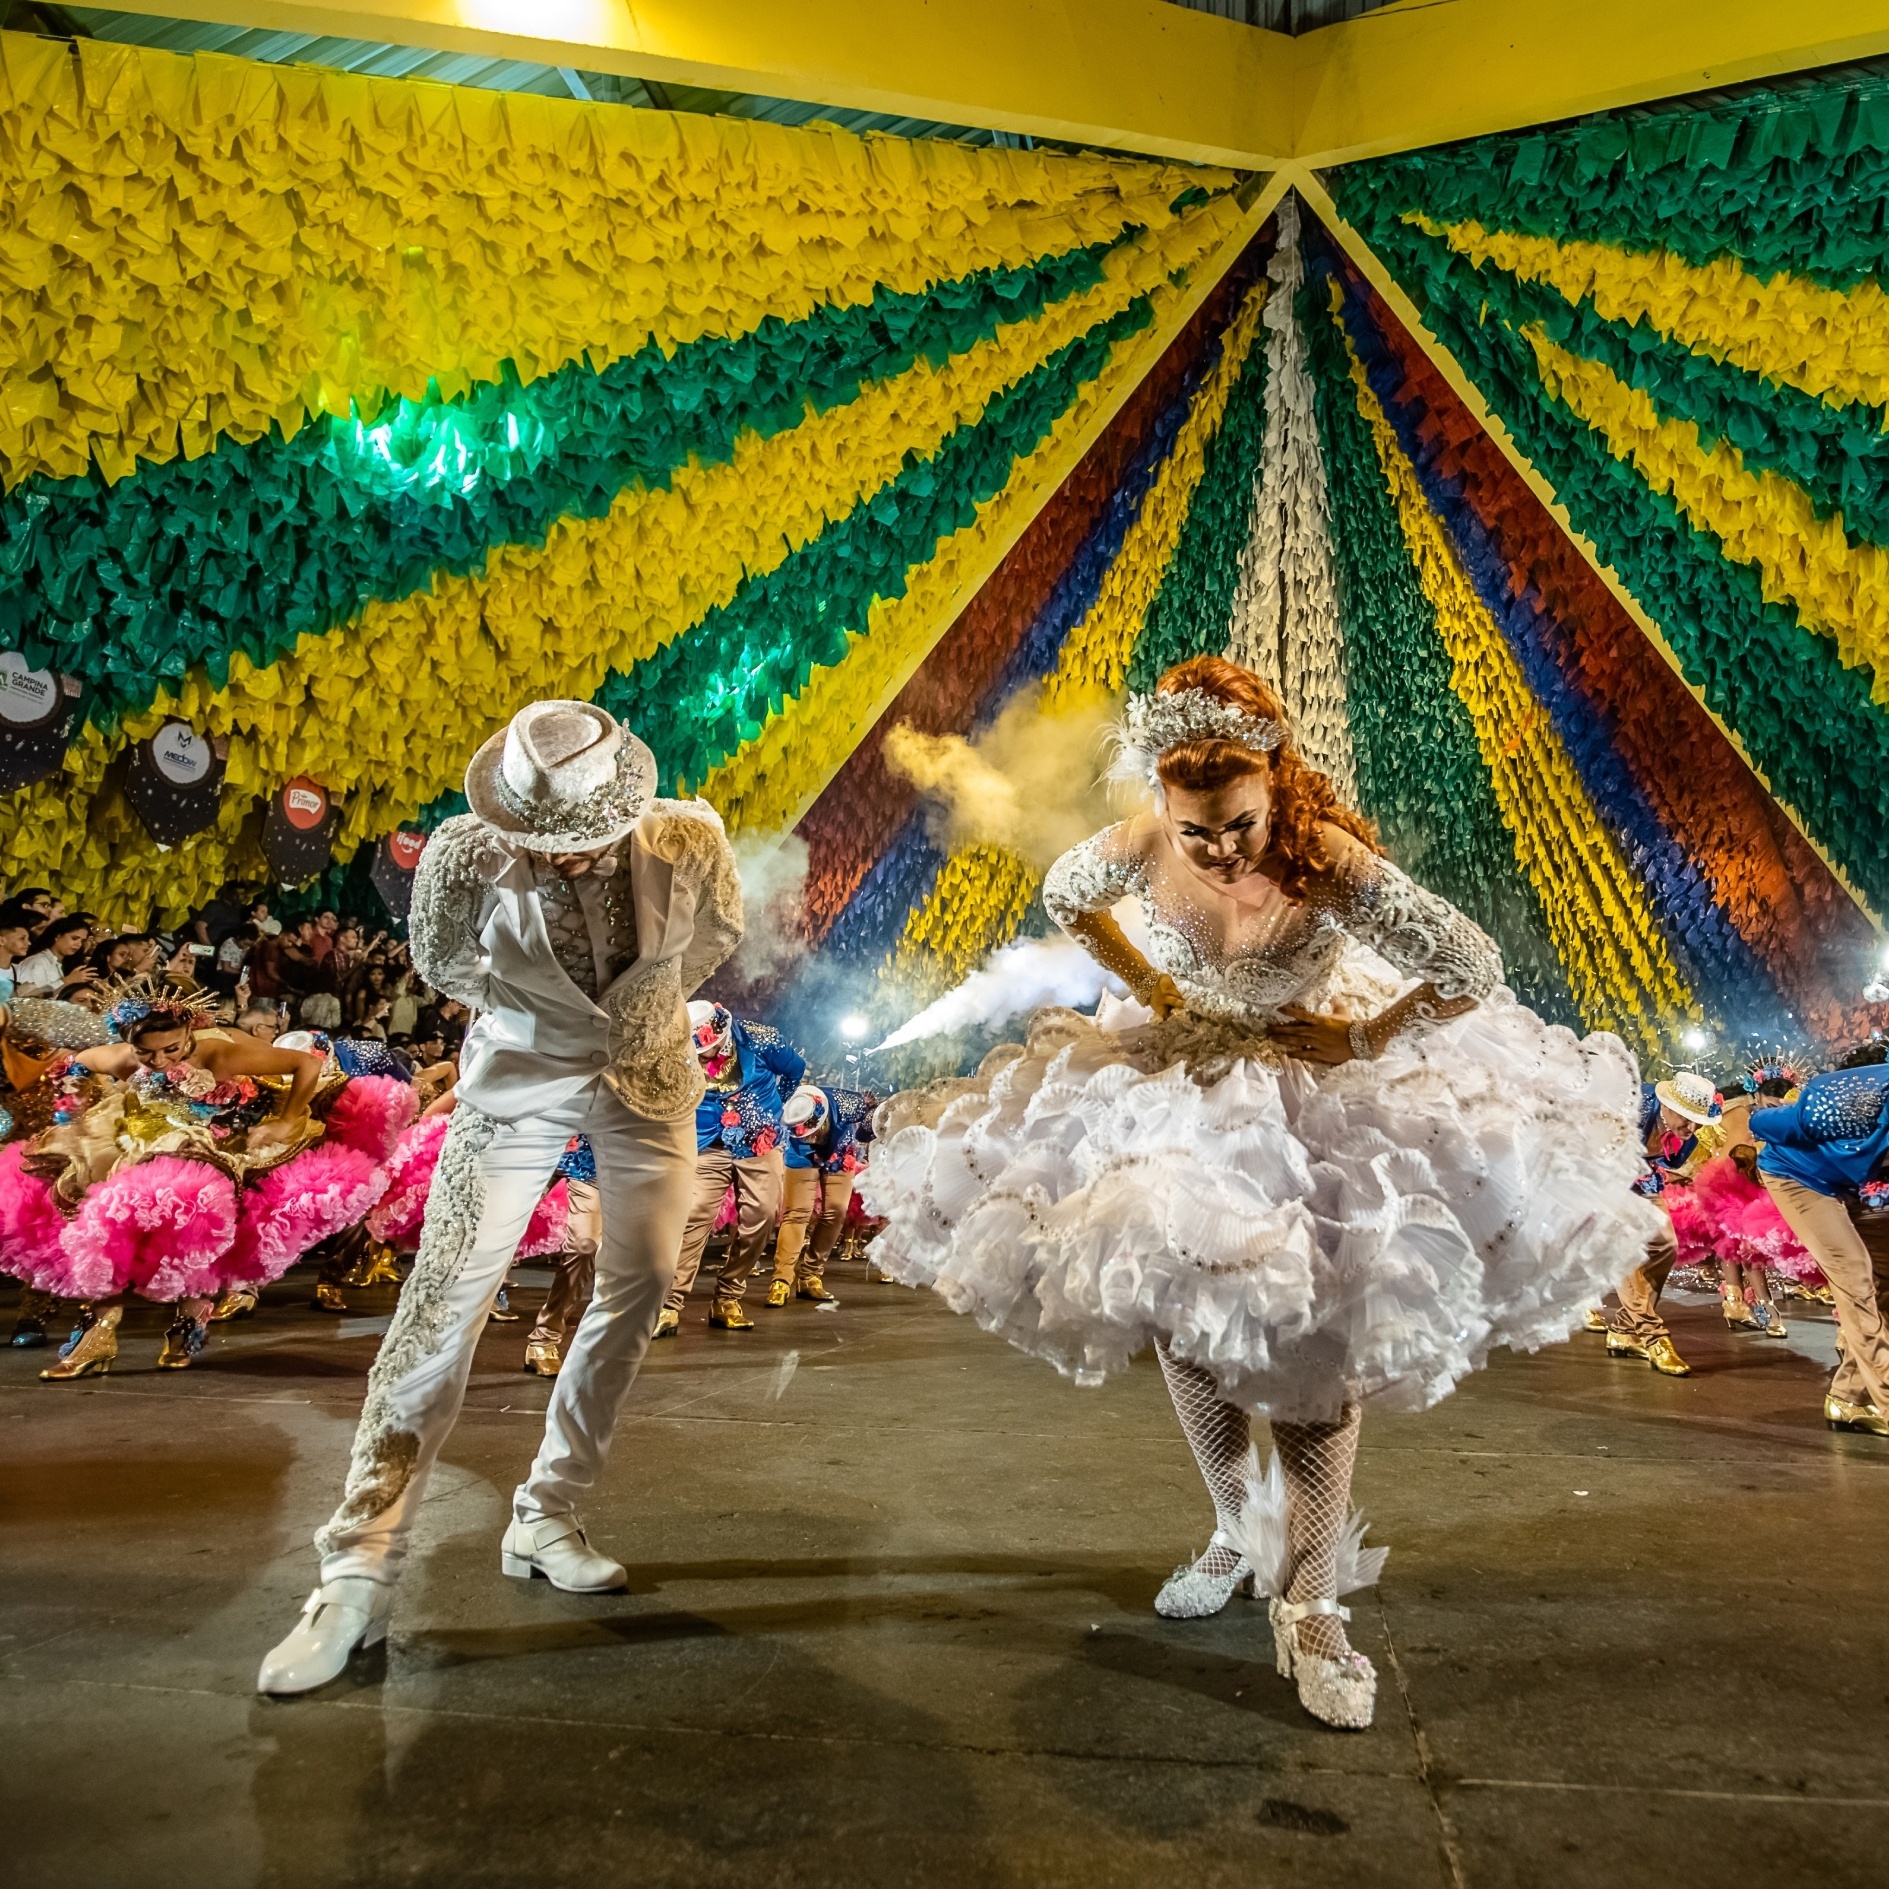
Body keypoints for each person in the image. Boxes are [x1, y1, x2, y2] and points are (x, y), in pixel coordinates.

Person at [862, 658, 1656, 1730]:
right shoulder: (1143, 843)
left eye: (1235, 822)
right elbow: (1064, 894)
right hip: (1180, 1076)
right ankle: (1239, 1528)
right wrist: (1144, 983)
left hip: (1311, 1085)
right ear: (1161, 805)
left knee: (1317, 1342)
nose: (1220, 848)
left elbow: (1468, 961)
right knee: (1187, 1313)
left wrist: (1365, 1032)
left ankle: (1312, 1601)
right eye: (1196, 831)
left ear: (1274, 780)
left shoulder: (1323, 856)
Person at [257, 698, 741, 1696]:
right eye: (537, 838)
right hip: (515, 1081)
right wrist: (546, 1019)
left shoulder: (690, 835)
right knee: (443, 1297)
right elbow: (442, 960)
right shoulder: (462, 851)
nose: (558, 857)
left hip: (648, 1078)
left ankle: (546, 1510)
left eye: (578, 840)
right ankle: (355, 1569)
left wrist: (632, 1014)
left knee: (646, 1277)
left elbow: (714, 937)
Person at [2, 976, 389, 1378]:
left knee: (191, 1229)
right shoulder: (120, 1057)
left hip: (198, 1148)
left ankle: (190, 1319)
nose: (160, 1061)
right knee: (104, 1231)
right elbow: (74, 1063)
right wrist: (73, 1104)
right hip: (128, 1143)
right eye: (146, 1053)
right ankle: (98, 1331)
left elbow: (305, 1062)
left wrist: (288, 1118)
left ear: (189, 1033)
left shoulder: (219, 1054)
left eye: (171, 1049)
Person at [1749, 1043, 1889, 1437]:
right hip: (1797, 1176)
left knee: (1885, 1282)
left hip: (1847, 1182)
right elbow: (1772, 1124)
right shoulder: (1852, 1097)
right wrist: (1754, 1119)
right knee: (1856, 1276)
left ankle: (1848, 1397)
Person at [658, 1003, 806, 1335]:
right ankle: (669, 1303)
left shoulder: (761, 1039)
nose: (703, 1056)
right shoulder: (677, 1051)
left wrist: (773, 1107)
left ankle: (728, 1296)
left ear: (723, 1034)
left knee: (762, 1215)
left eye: (708, 1049)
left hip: (759, 1143)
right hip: (708, 1141)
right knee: (693, 1214)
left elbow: (795, 1070)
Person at [1599, 1071, 1722, 1377]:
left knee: (1665, 1245)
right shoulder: (1632, 1106)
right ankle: (1653, 1336)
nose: (1692, 1128)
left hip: (1641, 1182)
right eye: (1687, 1119)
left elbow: (1674, 1162)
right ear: (1667, 1107)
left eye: (1697, 1121)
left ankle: (1624, 1330)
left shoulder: (1686, 1133)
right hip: (1605, 1178)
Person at [768, 1082, 875, 1306]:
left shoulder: (849, 1103)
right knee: (797, 1214)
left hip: (840, 1151)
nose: (812, 1136)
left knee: (836, 1213)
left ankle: (811, 1276)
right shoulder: (789, 1104)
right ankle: (781, 1280)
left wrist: (873, 1116)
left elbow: (867, 1129)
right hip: (800, 1153)